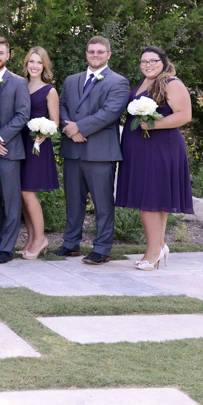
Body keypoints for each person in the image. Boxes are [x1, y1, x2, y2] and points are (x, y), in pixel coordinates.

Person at [114, 46, 195, 270]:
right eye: (143, 62)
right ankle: (159, 246)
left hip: (161, 148)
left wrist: (153, 124)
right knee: (153, 198)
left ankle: (152, 253)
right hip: (140, 148)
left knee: (149, 198)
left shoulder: (171, 83)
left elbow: (184, 115)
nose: (148, 65)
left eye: (153, 61)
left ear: (163, 62)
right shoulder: (143, 83)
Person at [55, 34, 131, 264]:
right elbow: (61, 106)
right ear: (86, 54)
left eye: (100, 52)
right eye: (91, 52)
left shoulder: (118, 82)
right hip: (72, 150)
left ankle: (102, 248)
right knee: (73, 201)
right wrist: (69, 129)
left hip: (99, 152)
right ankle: (71, 244)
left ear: (108, 54)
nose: (95, 55)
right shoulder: (71, 80)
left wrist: (80, 128)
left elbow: (110, 113)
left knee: (103, 203)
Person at [0, 36, 31, 265]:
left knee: (10, 201)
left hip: (8, 150)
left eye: (1, 53)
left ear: (8, 56)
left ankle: (7, 247)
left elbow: (22, 115)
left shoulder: (19, 83)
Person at [18, 46, 60, 259]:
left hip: (37, 145)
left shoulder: (49, 90)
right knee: (22, 195)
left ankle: (41, 238)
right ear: (26, 64)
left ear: (44, 65)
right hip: (19, 143)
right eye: (31, 61)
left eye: (39, 62)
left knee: (28, 192)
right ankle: (31, 237)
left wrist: (43, 134)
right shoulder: (19, 85)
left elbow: (55, 122)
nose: (34, 66)